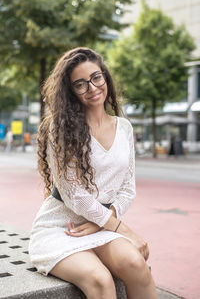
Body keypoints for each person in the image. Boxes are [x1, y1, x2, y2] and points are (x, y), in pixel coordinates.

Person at [29, 47, 157, 299]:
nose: (92, 87)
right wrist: (122, 229)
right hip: (60, 228)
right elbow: (75, 196)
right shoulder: (60, 129)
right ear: (71, 91)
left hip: (100, 225)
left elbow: (127, 188)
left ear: (105, 77)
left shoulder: (124, 128)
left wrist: (104, 223)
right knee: (100, 281)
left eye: (96, 77)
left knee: (136, 266)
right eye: (80, 84)